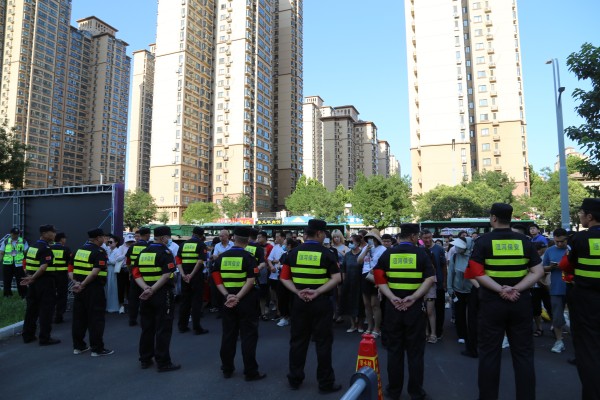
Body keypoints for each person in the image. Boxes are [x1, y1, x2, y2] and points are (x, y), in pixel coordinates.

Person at [464, 203, 543, 400]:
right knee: (523, 355)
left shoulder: (483, 241)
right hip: (520, 303)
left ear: (493, 218)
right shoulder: (524, 241)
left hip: (492, 304)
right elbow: (538, 271)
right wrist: (517, 289)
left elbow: (476, 272)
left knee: (489, 355)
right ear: (510, 218)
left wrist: (501, 289)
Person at [374, 223, 435, 400]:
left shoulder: (388, 253)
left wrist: (392, 297)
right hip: (414, 309)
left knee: (394, 351)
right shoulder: (421, 254)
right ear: (414, 236)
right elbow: (430, 278)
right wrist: (414, 297)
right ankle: (415, 392)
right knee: (415, 353)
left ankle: (394, 391)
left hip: (393, 309)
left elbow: (378, 277)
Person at [280, 219, 342, 394]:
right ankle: (325, 383)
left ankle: (294, 379)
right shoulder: (327, 253)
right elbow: (337, 278)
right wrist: (317, 291)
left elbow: (284, 277)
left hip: (299, 302)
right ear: (319, 233)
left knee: (298, 341)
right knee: (323, 343)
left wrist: (297, 291)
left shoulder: (292, 253)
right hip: (321, 302)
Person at [211, 226, 265, 381]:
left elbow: (216, 279)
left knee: (228, 335)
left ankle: (227, 368)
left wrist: (227, 295)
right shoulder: (249, 257)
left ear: (233, 238)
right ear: (247, 240)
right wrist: (238, 297)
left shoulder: (222, 257)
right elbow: (251, 281)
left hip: (227, 301)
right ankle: (250, 372)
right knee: (248, 336)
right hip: (246, 301)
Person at [559, 198, 600, 399]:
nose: (580, 216)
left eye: (582, 213)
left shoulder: (579, 239)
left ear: (590, 216)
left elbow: (566, 265)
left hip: (586, 300)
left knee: (588, 349)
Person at [133, 225, 180, 372]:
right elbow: (166, 275)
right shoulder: (166, 252)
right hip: (162, 293)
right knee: (163, 328)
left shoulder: (143, 252)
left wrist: (146, 288)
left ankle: (145, 358)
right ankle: (163, 362)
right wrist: (152, 289)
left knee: (147, 327)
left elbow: (136, 273)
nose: (169, 240)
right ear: (164, 238)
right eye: (169, 237)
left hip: (145, 294)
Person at [71, 228, 113, 356]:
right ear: (98, 238)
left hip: (79, 288)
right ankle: (97, 349)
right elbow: (95, 273)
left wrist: (76, 283)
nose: (105, 239)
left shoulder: (79, 250)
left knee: (79, 318)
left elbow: (70, 268)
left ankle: (78, 347)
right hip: (93, 289)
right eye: (103, 237)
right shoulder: (99, 252)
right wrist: (83, 284)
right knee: (96, 319)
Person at [21, 224, 60, 345]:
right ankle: (45, 338)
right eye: (52, 232)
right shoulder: (46, 248)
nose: (54, 234)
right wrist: (33, 277)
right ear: (44, 234)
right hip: (45, 283)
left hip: (33, 283)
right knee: (46, 310)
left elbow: (27, 264)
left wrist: (30, 277)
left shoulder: (32, 247)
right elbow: (43, 268)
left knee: (31, 309)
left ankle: (28, 335)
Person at [176, 226, 209, 335]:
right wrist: (191, 275)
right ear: (201, 235)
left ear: (192, 233)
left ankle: (182, 326)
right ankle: (197, 327)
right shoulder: (201, 245)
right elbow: (200, 261)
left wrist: (183, 274)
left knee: (185, 301)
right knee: (196, 302)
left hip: (184, 276)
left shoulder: (183, 244)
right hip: (196, 277)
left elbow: (178, 260)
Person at [543, 228, 569, 354]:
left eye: (562, 241)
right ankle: (559, 340)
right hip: (556, 288)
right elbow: (544, 268)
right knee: (557, 316)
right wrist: (551, 267)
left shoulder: (572, 250)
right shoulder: (549, 250)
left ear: (567, 239)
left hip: (573, 288)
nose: (559, 244)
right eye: (556, 241)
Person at [358, 229, 386, 337]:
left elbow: (384, 264)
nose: (370, 240)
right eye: (368, 238)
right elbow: (359, 261)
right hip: (365, 275)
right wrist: (366, 250)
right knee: (367, 304)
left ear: (377, 239)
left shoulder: (382, 249)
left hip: (376, 276)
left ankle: (377, 328)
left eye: (372, 238)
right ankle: (369, 326)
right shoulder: (366, 248)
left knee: (375, 304)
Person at [447, 237, 474, 347]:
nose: (457, 248)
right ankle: (461, 335)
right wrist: (450, 289)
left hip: (471, 290)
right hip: (457, 290)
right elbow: (450, 273)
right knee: (459, 314)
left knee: (472, 314)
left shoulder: (474, 257)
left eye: (460, 246)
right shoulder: (454, 257)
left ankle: (472, 334)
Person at [420, 229, 447, 340]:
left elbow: (444, 266)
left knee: (439, 309)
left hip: (438, 283)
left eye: (429, 237)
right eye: (425, 238)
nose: (427, 240)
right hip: (424, 285)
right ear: (421, 238)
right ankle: (427, 332)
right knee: (425, 310)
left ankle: (438, 331)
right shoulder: (419, 249)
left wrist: (444, 281)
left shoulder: (439, 249)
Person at [126, 227, 151, 326]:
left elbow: (128, 262)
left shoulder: (132, 247)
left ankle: (132, 319)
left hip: (134, 275)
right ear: (147, 235)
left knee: (133, 298)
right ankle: (144, 319)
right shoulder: (149, 247)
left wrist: (130, 272)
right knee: (145, 297)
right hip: (146, 276)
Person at [341, 234, 364, 332]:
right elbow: (343, 269)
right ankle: (352, 325)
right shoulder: (347, 255)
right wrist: (344, 281)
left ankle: (360, 325)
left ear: (358, 243)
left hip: (360, 282)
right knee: (350, 303)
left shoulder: (363, 253)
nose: (350, 244)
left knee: (361, 303)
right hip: (349, 282)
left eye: (352, 242)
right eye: (349, 242)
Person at [210, 229, 234, 314]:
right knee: (218, 290)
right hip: (219, 269)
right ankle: (220, 309)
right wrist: (223, 255)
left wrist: (221, 255)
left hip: (230, 270)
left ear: (227, 236)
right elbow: (215, 256)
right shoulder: (217, 245)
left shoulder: (233, 244)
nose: (220, 237)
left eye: (222, 236)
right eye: (219, 236)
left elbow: (233, 256)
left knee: (229, 289)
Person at [50, 232, 72, 323]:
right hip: (62, 275)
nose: (65, 240)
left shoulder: (49, 248)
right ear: (61, 239)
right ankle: (59, 316)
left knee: (50, 295)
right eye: (64, 238)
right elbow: (70, 261)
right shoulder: (66, 249)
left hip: (50, 275)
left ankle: (50, 314)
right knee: (62, 295)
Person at [245, 229, 267, 319]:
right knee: (261, 295)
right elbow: (262, 264)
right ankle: (263, 313)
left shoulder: (244, 246)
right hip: (257, 276)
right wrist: (255, 272)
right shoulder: (259, 248)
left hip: (244, 276)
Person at [1, 227, 28, 298]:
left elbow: (26, 252)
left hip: (19, 264)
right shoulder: (5, 241)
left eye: (17, 234)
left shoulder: (23, 241)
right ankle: (7, 295)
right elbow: (1, 252)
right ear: (10, 233)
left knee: (21, 280)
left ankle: (23, 295)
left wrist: (24, 263)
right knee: (7, 280)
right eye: (14, 234)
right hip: (7, 264)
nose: (15, 235)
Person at [266, 230, 286, 325]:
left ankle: (281, 313)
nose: (276, 238)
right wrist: (271, 266)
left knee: (281, 295)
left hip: (283, 275)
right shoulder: (275, 247)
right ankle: (278, 311)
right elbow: (269, 259)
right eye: (276, 236)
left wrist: (278, 261)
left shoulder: (286, 248)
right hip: (274, 275)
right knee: (274, 295)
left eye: (278, 236)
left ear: (283, 237)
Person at [117, 234, 135, 314]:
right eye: (129, 241)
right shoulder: (121, 248)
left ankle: (130, 306)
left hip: (131, 269)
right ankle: (121, 306)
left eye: (131, 241)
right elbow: (117, 258)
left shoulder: (134, 247)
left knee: (130, 288)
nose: (130, 243)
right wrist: (126, 254)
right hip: (122, 269)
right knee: (121, 288)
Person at [105, 235, 122, 313]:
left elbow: (114, 261)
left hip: (113, 270)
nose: (109, 243)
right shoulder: (108, 250)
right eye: (109, 242)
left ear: (116, 243)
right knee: (107, 288)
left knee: (112, 287)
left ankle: (112, 306)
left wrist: (106, 259)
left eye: (111, 242)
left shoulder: (118, 251)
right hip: (108, 270)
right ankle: (107, 305)